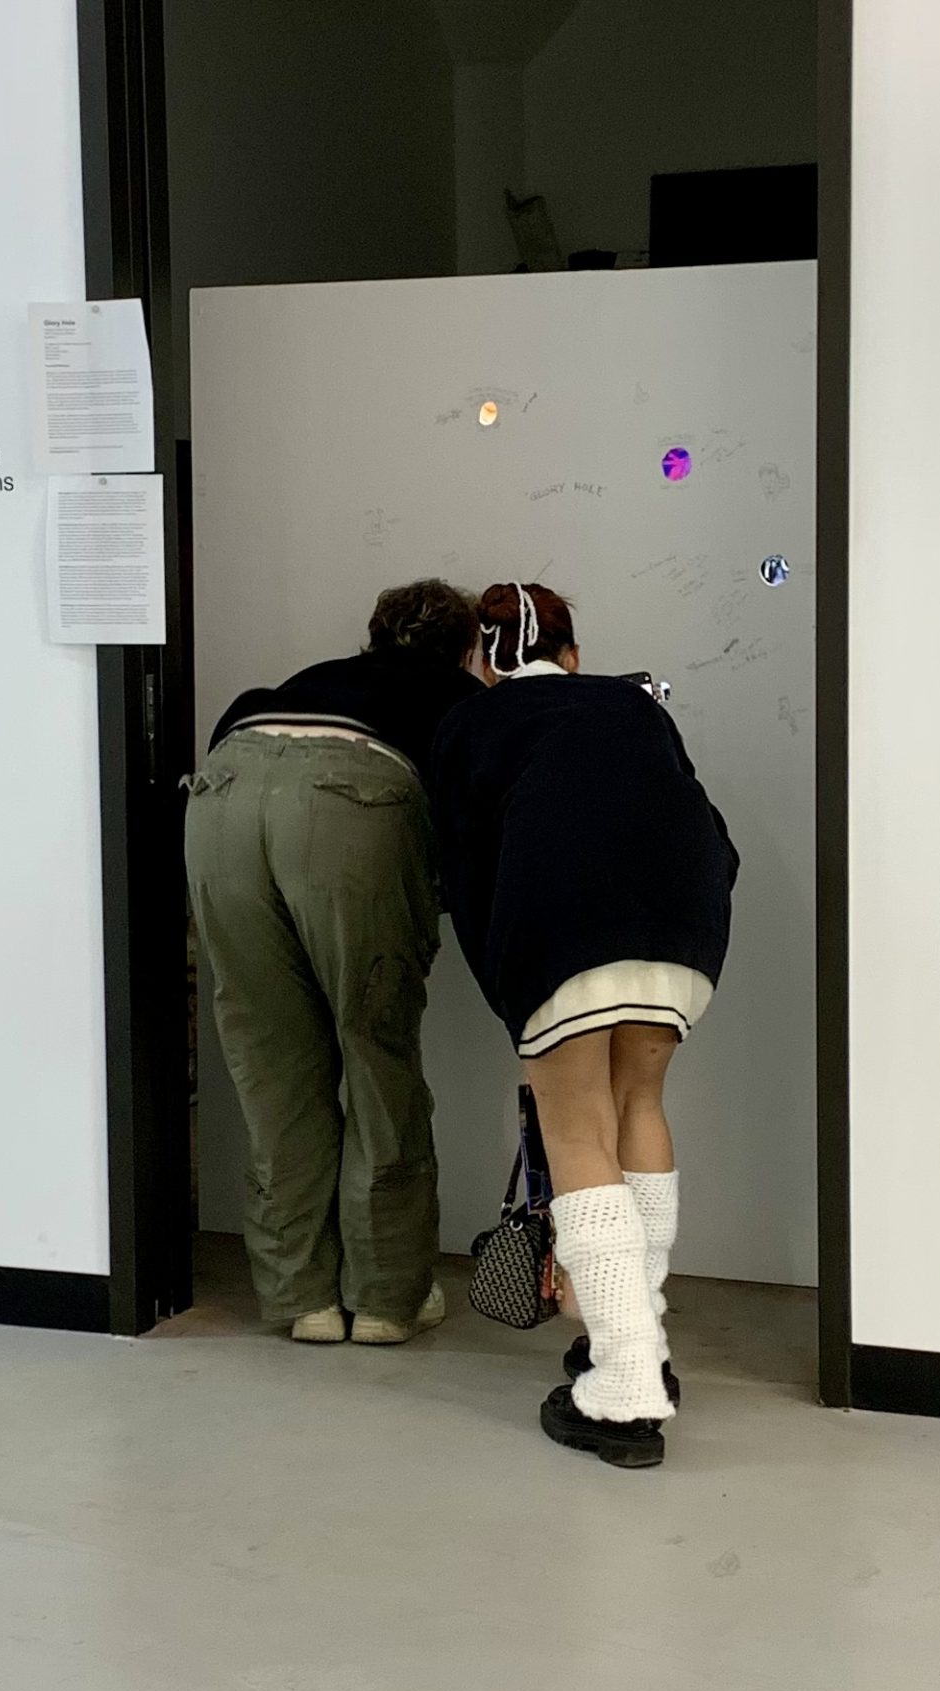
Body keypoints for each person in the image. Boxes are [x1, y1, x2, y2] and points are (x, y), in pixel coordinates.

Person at [431, 581, 739, 1467]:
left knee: (573, 1130)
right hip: (682, 919)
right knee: (639, 1105)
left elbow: (465, 868)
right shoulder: (632, 703)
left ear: (482, 662)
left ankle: (625, 1385)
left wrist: (512, 988)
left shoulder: (474, 722)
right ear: (571, 651)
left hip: (561, 921)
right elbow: (706, 824)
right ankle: (642, 1337)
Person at [185, 579, 483, 1344]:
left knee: (271, 1061)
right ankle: (387, 1297)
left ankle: (301, 1299)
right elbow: (470, 823)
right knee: (374, 1052)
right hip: (350, 796)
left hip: (223, 787)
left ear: (373, 635)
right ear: (467, 648)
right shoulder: (456, 693)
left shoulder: (307, 679)